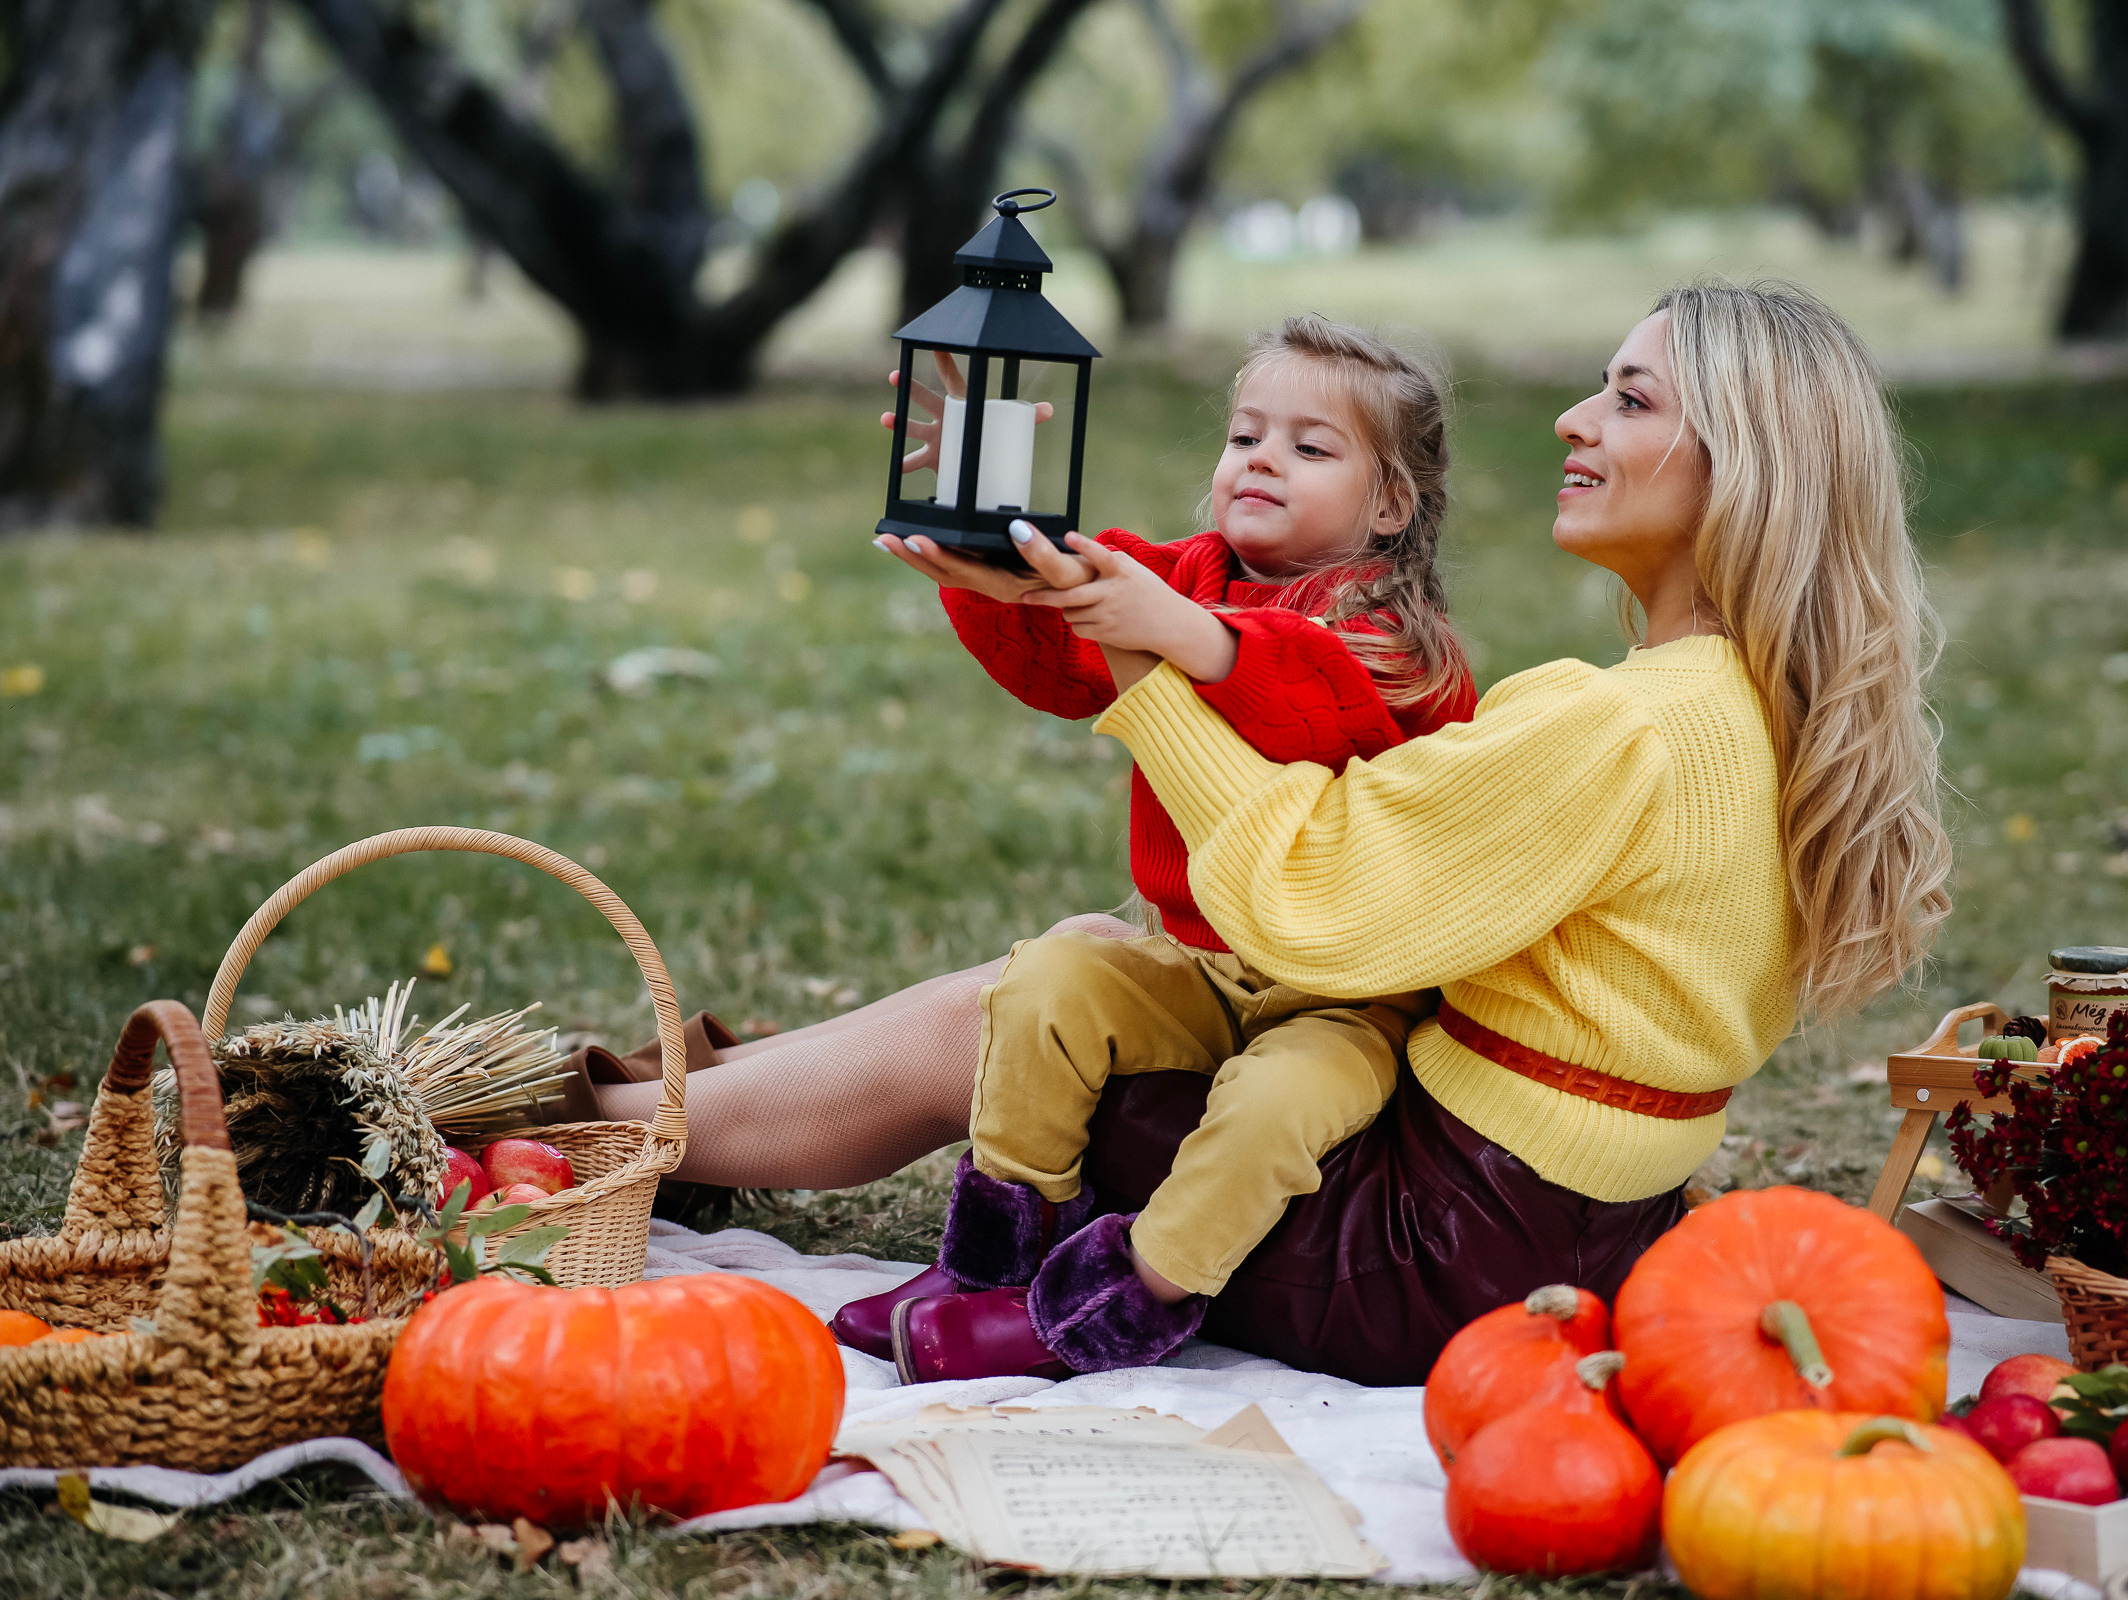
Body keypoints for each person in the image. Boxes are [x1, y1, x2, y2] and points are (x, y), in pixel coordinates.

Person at [591, 278, 1951, 1386]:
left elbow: (1318, 897)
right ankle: (637, 1108)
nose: (1572, 419)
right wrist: (1030, 581)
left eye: (1629, 396)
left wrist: (1146, 671)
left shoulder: (1619, 726)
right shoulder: (1758, 708)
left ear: (1744, 459)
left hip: (1423, 1255)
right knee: (1081, 956)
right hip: (1577, 1224)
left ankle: (603, 1136)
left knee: (1015, 1011)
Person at [842, 315, 1477, 1382]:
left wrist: (1179, 631)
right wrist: (987, 535)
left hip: (1347, 994)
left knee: (1276, 1106)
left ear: (1390, 503)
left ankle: (1121, 1297)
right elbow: (1055, 660)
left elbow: (1311, 699)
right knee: (1052, 975)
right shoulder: (1180, 576)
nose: (1262, 458)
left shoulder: (1400, 644)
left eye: (1311, 447)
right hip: (1195, 968)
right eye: (1245, 437)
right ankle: (1001, 1254)